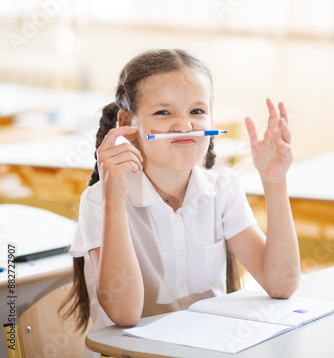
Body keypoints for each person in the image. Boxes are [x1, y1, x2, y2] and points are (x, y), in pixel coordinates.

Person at [62, 49, 299, 357]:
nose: (185, 126)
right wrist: (115, 199)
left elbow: (282, 284)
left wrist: (274, 181)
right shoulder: (99, 200)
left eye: (197, 111)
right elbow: (125, 314)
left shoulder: (223, 188)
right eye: (164, 113)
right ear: (126, 122)